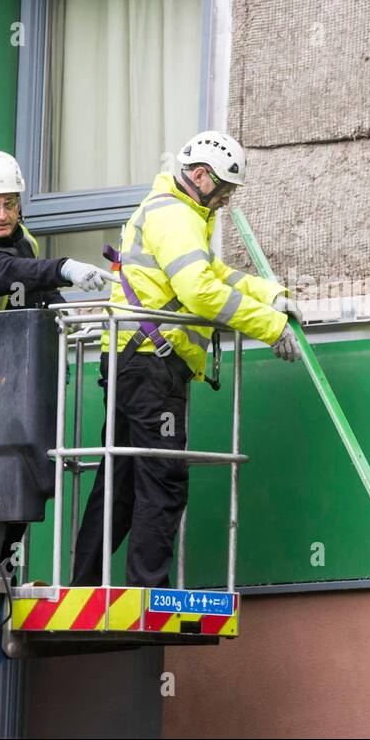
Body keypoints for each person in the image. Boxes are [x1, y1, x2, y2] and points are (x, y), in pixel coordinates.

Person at [70, 131, 301, 588]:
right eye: (224, 190)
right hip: (151, 367)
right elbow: (200, 291)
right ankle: (146, 593)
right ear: (200, 176)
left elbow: (216, 274)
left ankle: (83, 585)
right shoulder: (177, 217)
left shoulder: (175, 212)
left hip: (128, 359)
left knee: (118, 479)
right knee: (163, 477)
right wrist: (270, 326)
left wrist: (271, 294)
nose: (225, 201)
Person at [0, 150, 109, 390]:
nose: (3, 215)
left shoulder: (24, 241)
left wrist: (64, 311)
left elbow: (34, 286)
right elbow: (12, 272)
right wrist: (64, 268)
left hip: (23, 368)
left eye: (10, 204)